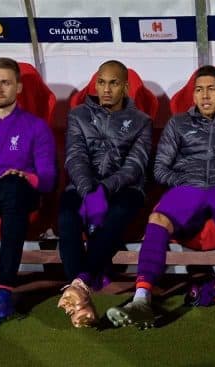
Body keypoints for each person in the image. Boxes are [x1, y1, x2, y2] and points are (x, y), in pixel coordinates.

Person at [105, 65, 215, 329]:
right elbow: (160, 169)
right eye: (199, 90)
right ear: (192, 96)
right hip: (188, 187)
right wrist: (183, 181)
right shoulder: (178, 124)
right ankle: (141, 299)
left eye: (211, 90)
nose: (205, 96)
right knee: (158, 217)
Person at [57, 60, 152, 328]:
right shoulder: (77, 115)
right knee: (66, 215)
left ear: (125, 87)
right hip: (82, 185)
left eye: (113, 83)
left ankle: (79, 285)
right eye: (101, 82)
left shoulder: (141, 121)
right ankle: (81, 291)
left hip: (125, 188)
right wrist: (89, 191)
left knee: (118, 213)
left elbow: (135, 166)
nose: (106, 89)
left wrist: (104, 190)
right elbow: (75, 157)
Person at [0, 57, 56, 325]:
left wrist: (25, 176)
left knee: (12, 187)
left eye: (5, 82)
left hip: (20, 192)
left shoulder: (36, 127)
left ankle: (4, 290)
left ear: (19, 88)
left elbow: (48, 180)